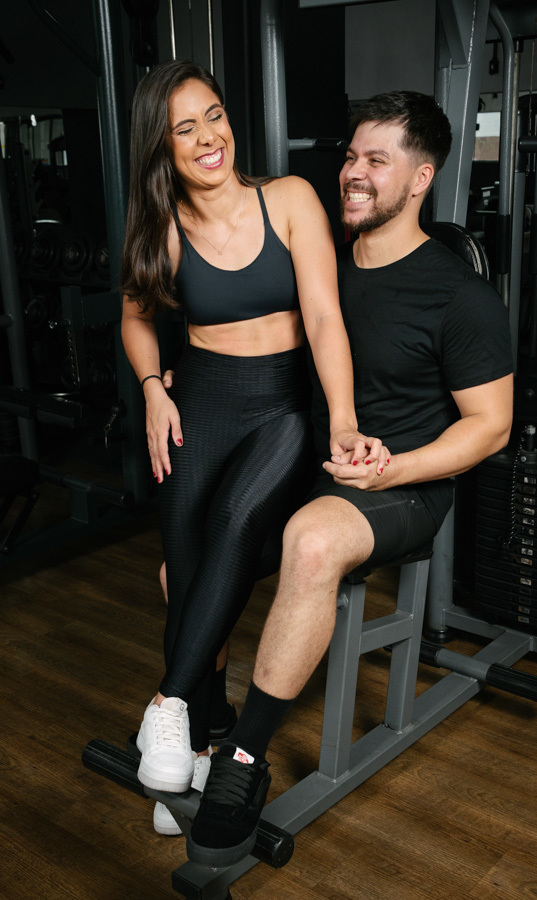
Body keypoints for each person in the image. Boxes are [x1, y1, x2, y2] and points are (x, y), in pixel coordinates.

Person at [184, 90, 514, 868]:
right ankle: (208, 727)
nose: (354, 173)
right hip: (301, 454)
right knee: (185, 555)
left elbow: (490, 427)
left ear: (421, 177)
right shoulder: (315, 249)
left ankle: (242, 765)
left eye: (377, 161)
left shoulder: (458, 294)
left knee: (309, 539)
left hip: (397, 482)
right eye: (351, 156)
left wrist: (392, 468)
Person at [120, 60, 385, 837]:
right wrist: (151, 389)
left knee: (238, 520)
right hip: (199, 399)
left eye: (214, 115)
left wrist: (340, 417)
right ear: (161, 148)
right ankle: (201, 744)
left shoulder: (292, 201)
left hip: (281, 404)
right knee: (184, 568)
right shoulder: (162, 228)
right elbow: (137, 319)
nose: (209, 137)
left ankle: (165, 703)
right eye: (185, 128)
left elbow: (327, 319)